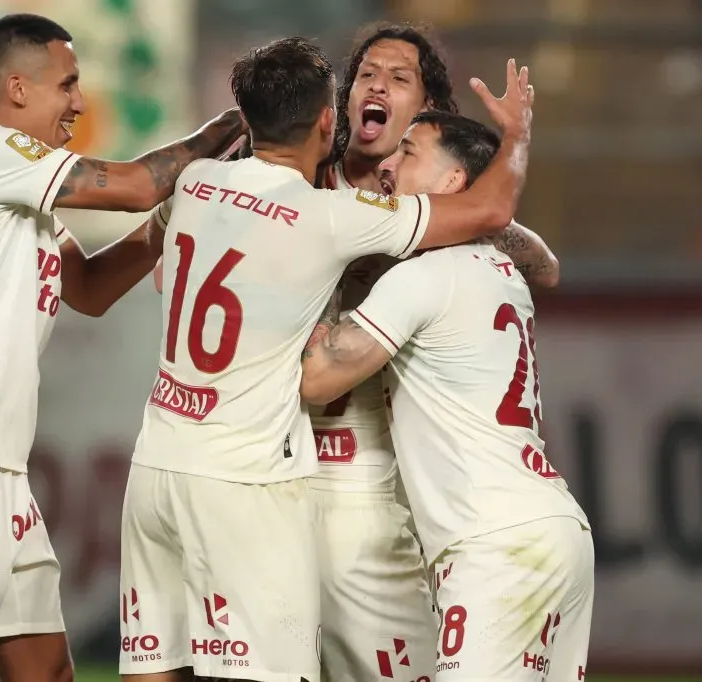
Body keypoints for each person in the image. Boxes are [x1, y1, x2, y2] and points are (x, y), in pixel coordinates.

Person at [119, 36, 534, 682]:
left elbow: (540, 259)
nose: (375, 85)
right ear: (330, 114)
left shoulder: (215, 184)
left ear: (427, 114)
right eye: (364, 73)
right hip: (266, 476)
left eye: (398, 78)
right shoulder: (330, 204)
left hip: (347, 492)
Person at [0, 13, 245, 682]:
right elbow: (134, 183)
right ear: (18, 87)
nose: (80, 101)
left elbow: (91, 288)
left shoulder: (17, 197)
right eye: (68, 84)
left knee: (45, 672)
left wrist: (170, 219)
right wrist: (220, 133)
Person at [299, 110, 593, 682]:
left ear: (453, 183)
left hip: (495, 549)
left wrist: (307, 300)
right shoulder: (501, 268)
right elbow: (540, 261)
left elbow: (317, 379)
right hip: (556, 532)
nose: (386, 164)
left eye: (407, 153)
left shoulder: (424, 277)